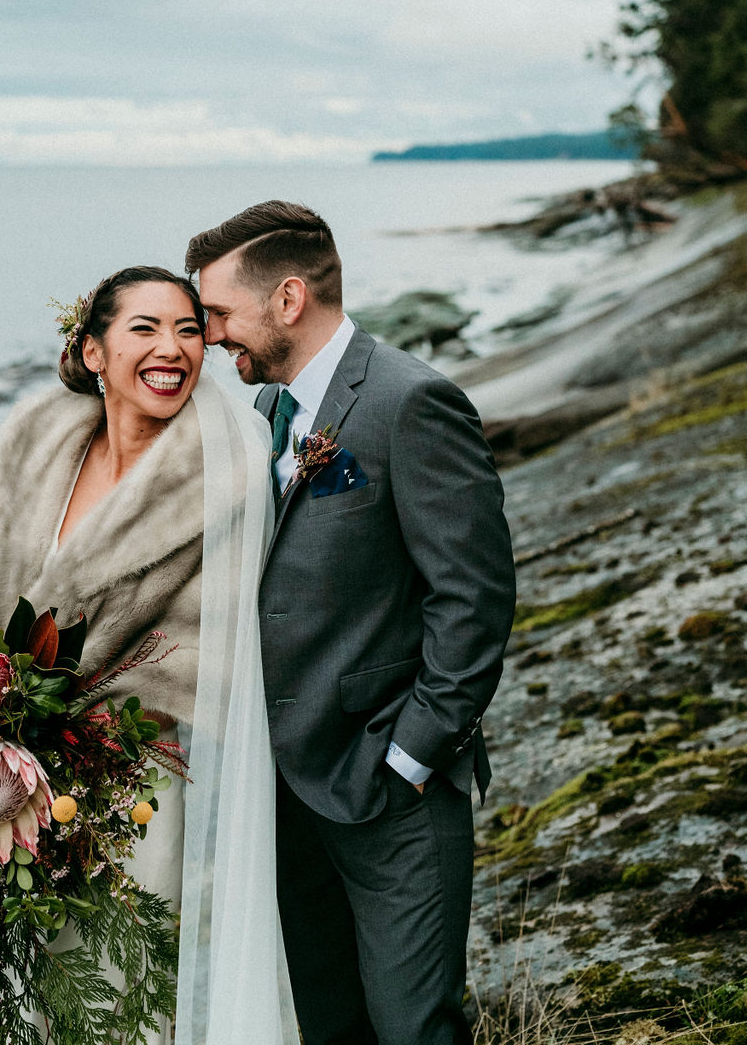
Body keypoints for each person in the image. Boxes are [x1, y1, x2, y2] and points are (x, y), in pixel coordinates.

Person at [186, 204, 516, 1045]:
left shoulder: (410, 403)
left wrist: (409, 754)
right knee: (332, 1023)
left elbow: (472, 597)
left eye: (220, 312)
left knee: (413, 1028)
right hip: (287, 792)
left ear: (288, 298)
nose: (210, 334)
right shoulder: (269, 415)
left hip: (389, 787)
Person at [0, 266, 298, 1045]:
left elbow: (218, 645)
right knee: (12, 989)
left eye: (187, 329)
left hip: (129, 783)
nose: (171, 348)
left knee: (119, 999)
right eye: (144, 328)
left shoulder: (225, 474)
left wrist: (73, 726)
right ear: (93, 351)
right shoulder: (36, 439)